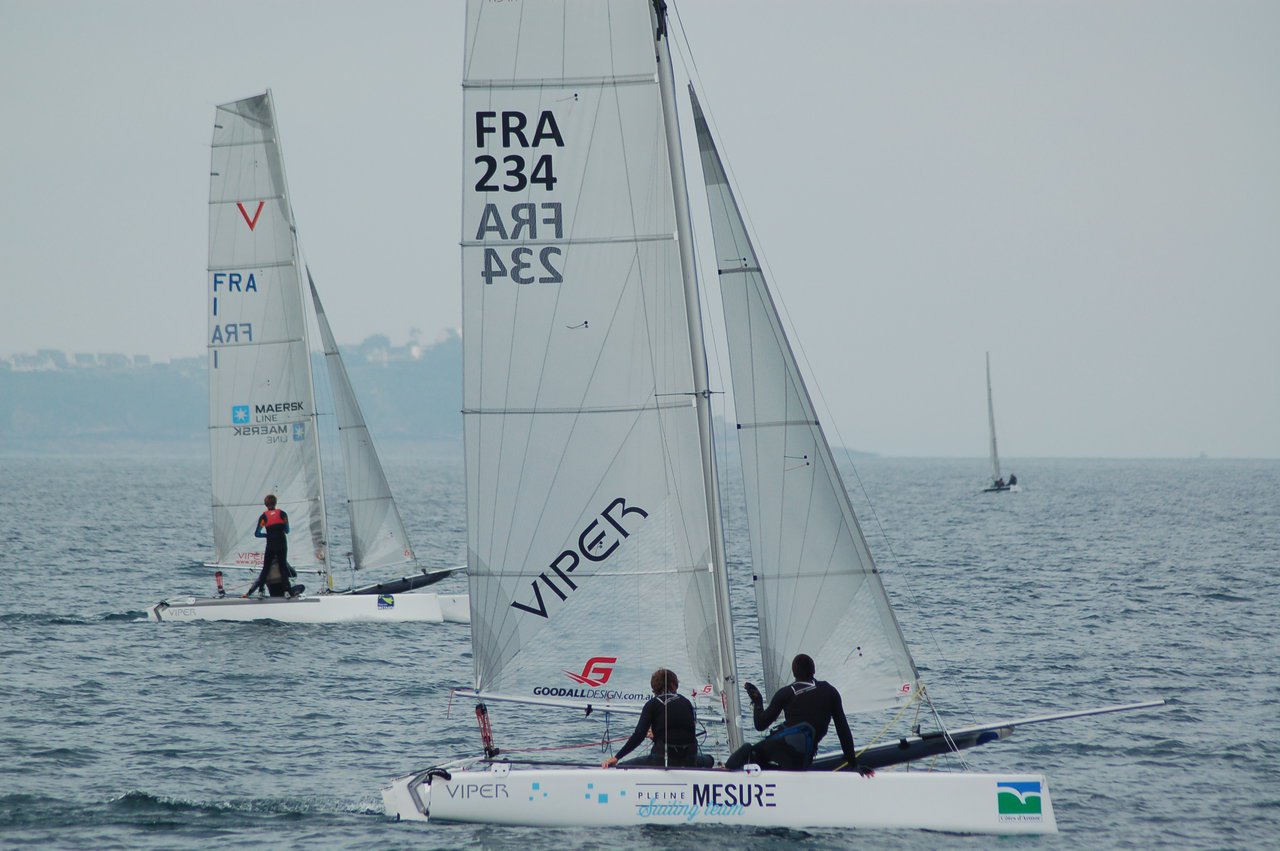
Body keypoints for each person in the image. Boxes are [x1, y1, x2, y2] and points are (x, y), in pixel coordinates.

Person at [725, 653, 871, 775]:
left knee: (748, 752)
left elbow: (760, 725)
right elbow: (842, 729)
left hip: (782, 749)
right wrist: (853, 764)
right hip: (805, 756)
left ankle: (728, 771)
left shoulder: (786, 693)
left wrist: (758, 702)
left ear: (794, 673)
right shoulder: (830, 691)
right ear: (814, 670)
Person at [602, 669, 711, 769]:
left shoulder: (652, 704)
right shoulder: (686, 702)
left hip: (661, 760)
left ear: (654, 687)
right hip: (690, 760)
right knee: (710, 760)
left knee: (621, 766)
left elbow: (639, 735)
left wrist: (617, 757)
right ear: (673, 684)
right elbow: (686, 731)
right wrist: (657, 736)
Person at [244, 494, 294, 598]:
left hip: (271, 545)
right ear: (275, 503)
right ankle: (286, 591)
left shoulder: (264, 517)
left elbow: (257, 533)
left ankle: (260, 591)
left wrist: (267, 535)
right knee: (282, 567)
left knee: (266, 568)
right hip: (282, 544)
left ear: (266, 504)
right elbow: (287, 530)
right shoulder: (282, 514)